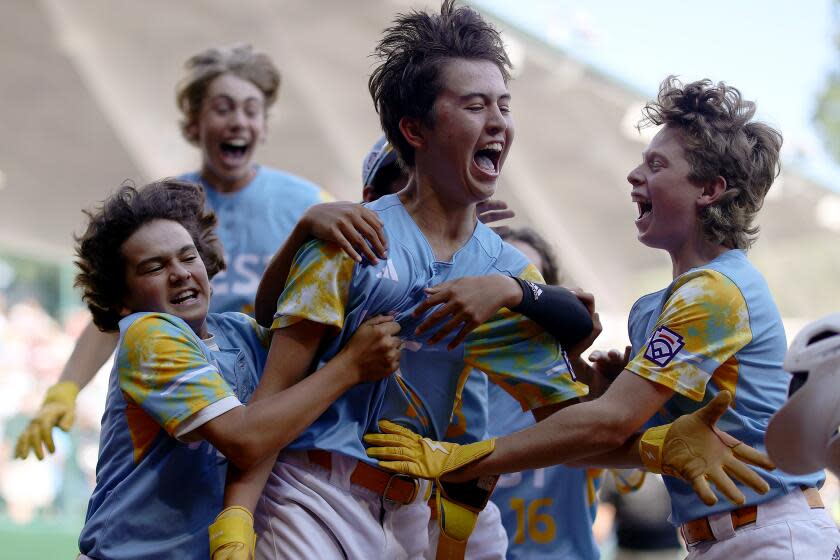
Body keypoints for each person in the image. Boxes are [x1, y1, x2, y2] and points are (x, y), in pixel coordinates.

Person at [364, 76, 839, 559]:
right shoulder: (656, 307)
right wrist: (592, 384)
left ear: (711, 190)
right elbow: (623, 444)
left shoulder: (715, 292)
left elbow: (610, 427)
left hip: (775, 535)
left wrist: (462, 459)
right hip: (724, 539)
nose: (635, 175)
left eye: (656, 164)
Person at [222, 3, 597, 558]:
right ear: (414, 128)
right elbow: (267, 405)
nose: (498, 122)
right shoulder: (348, 240)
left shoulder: (508, 273)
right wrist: (236, 519)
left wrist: (658, 440)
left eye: (503, 105)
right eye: (475, 105)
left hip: (410, 520)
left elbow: (566, 424)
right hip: (312, 500)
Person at [15, 44, 336, 461]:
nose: (239, 121)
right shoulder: (160, 210)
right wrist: (66, 388)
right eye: (223, 108)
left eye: (251, 109)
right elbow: (114, 309)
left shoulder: (308, 205)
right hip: (174, 407)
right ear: (193, 123)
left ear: (264, 124)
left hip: (263, 412)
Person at [73, 179, 401, 560]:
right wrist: (351, 367)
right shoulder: (147, 335)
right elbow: (244, 440)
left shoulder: (238, 331)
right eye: (154, 267)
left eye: (188, 256)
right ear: (121, 302)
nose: (179, 272)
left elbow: (281, 324)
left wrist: (302, 232)